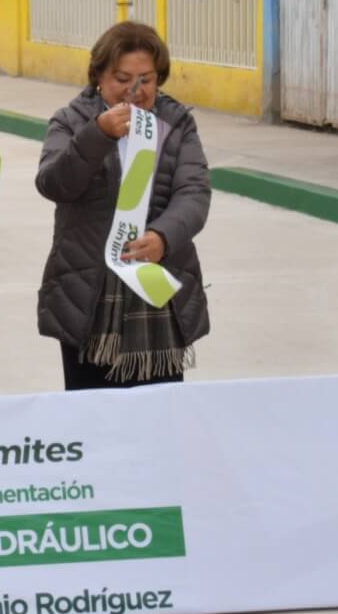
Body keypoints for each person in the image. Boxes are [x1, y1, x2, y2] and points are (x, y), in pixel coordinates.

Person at [36, 22, 211, 390]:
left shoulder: (177, 123)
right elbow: (53, 183)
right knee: (93, 419)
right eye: (121, 78)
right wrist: (97, 135)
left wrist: (163, 237)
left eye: (146, 80)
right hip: (90, 296)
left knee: (160, 418)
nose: (135, 91)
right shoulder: (71, 121)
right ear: (99, 76)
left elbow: (194, 193)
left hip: (155, 292)